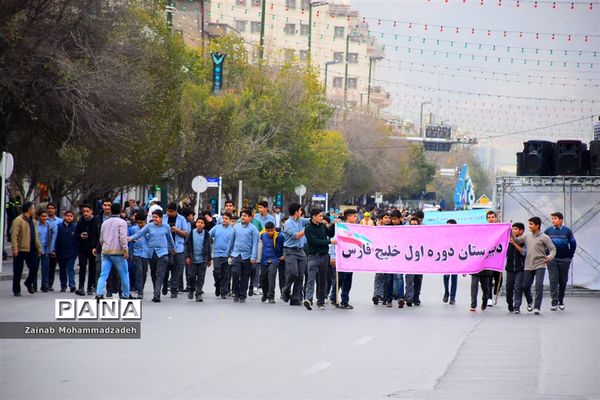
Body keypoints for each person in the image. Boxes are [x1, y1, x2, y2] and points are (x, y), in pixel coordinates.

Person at [512, 217, 556, 315]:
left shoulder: (545, 237)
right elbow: (516, 240)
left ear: (537, 225)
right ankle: (530, 302)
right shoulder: (527, 236)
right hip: (528, 265)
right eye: (529, 224)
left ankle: (537, 307)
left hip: (540, 264)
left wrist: (549, 257)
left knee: (539, 285)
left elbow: (553, 249)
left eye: (531, 224)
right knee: (525, 286)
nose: (529, 226)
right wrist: (509, 230)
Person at [129, 209, 175, 302]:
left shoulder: (166, 227)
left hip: (163, 253)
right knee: (153, 273)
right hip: (152, 253)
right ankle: (156, 291)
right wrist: (130, 238)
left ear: (161, 218)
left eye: (156, 217)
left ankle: (157, 294)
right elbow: (139, 234)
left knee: (159, 274)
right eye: (153, 217)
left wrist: (173, 249)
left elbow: (170, 239)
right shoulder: (149, 226)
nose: (154, 219)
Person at [304, 209, 337, 310]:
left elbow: (331, 233)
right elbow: (314, 241)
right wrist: (329, 242)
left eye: (322, 216)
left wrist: (335, 225)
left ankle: (321, 301)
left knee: (323, 279)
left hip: (324, 256)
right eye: (320, 216)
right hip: (313, 256)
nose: (321, 218)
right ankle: (308, 299)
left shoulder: (323, 226)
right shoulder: (308, 228)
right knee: (311, 278)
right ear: (313, 216)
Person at [96, 203, 131, 300]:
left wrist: (104, 246)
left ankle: (99, 293)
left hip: (106, 251)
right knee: (124, 273)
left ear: (111, 210)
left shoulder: (105, 222)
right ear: (120, 211)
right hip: (118, 252)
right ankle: (125, 294)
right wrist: (125, 250)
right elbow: (123, 238)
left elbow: (101, 238)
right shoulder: (122, 222)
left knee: (103, 274)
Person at [544, 212, 577, 311]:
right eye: (552, 218)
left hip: (565, 260)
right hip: (552, 260)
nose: (553, 220)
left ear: (561, 220)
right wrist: (547, 255)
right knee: (553, 280)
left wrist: (569, 257)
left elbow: (573, 244)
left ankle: (561, 301)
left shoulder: (567, 231)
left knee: (563, 281)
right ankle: (554, 302)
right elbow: (542, 243)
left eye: (555, 218)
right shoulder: (548, 231)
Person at [227, 209, 259, 303]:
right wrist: (228, 253)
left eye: (245, 216)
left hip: (247, 256)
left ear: (250, 217)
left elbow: (255, 244)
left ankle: (243, 294)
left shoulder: (254, 229)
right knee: (235, 273)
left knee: (245, 276)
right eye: (242, 216)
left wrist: (253, 257)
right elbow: (231, 241)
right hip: (236, 254)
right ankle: (236, 293)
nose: (243, 217)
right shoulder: (236, 227)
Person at [11, 202, 41, 296]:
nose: (34, 210)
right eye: (33, 208)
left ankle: (28, 283)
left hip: (32, 248)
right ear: (29, 210)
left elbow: (36, 235)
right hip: (20, 249)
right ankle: (16, 290)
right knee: (18, 271)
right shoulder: (18, 220)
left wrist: (39, 248)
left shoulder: (32, 220)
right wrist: (15, 248)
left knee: (34, 267)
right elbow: (14, 235)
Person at [281, 203, 309, 306]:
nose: (302, 212)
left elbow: (311, 220)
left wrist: (321, 218)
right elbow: (297, 236)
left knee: (300, 276)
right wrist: (307, 229)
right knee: (293, 273)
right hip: (290, 251)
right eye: (300, 210)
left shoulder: (300, 220)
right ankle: (286, 289)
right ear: (296, 212)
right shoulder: (288, 223)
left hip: (300, 251)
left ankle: (295, 298)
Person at [330, 208, 357, 309]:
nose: (356, 218)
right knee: (341, 278)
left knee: (348, 280)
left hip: (352, 258)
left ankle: (345, 301)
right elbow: (333, 243)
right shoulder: (339, 227)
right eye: (354, 216)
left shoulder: (356, 228)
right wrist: (333, 256)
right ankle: (333, 296)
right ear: (348, 217)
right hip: (341, 257)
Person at [162, 202, 189, 298]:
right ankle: (164, 284)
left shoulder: (181, 219)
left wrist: (177, 230)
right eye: (167, 211)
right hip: (165, 248)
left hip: (178, 248)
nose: (168, 213)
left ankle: (174, 289)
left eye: (171, 211)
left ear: (175, 211)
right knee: (164, 270)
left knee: (177, 270)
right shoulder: (164, 218)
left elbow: (186, 234)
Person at [185, 218, 212, 302]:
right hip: (192, 258)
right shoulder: (191, 233)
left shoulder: (207, 234)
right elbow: (186, 245)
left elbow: (209, 247)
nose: (200, 224)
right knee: (191, 276)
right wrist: (187, 257)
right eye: (198, 222)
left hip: (203, 259)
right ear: (196, 224)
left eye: (202, 223)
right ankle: (191, 289)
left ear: (204, 225)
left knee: (201, 277)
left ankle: (199, 293)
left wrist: (209, 258)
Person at [51, 210, 79, 293]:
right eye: (67, 216)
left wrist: (76, 251)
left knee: (70, 268)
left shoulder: (75, 227)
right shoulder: (58, 227)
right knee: (62, 269)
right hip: (60, 252)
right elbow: (54, 238)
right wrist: (53, 249)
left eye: (71, 216)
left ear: (73, 217)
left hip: (71, 252)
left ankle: (72, 285)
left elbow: (77, 240)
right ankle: (63, 286)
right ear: (64, 217)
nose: (69, 217)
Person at [257, 221, 284, 304]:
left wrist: (283, 255)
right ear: (265, 230)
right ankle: (265, 294)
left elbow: (284, 246)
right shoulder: (262, 236)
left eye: (271, 230)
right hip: (264, 260)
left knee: (271, 278)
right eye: (268, 231)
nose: (270, 233)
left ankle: (271, 296)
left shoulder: (279, 236)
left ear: (274, 230)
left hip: (274, 260)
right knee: (263, 278)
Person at [210, 212, 234, 299]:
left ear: (230, 220)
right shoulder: (216, 228)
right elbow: (208, 236)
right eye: (223, 218)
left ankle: (223, 291)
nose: (224, 220)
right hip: (216, 254)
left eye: (226, 218)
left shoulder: (233, 230)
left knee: (226, 274)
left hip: (227, 255)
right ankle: (217, 285)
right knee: (217, 272)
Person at [505, 222, 528, 313]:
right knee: (509, 288)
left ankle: (517, 307)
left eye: (515, 229)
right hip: (510, 268)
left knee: (518, 287)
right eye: (512, 229)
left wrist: (514, 243)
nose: (513, 231)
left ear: (521, 231)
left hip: (520, 268)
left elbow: (524, 252)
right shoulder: (508, 241)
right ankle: (510, 303)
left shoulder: (524, 241)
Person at [75, 204, 97, 296]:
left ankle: (90, 287)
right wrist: (80, 235)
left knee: (92, 268)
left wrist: (96, 246)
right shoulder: (81, 221)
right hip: (82, 248)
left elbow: (98, 234)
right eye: (84, 211)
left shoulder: (95, 221)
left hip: (92, 248)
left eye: (87, 211)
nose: (86, 213)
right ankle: (81, 287)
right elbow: (76, 234)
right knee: (82, 267)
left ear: (91, 211)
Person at [129, 213, 149, 299]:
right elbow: (131, 242)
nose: (140, 224)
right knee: (139, 272)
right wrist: (131, 253)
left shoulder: (149, 228)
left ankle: (141, 288)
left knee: (144, 273)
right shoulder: (134, 229)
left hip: (146, 253)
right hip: (137, 253)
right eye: (138, 223)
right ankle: (140, 291)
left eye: (142, 223)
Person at [405, 217, 423, 307]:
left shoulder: (423, 235)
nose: (413, 226)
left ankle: (416, 298)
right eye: (411, 224)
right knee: (409, 279)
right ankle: (409, 298)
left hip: (419, 261)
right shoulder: (406, 235)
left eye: (415, 224)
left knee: (418, 280)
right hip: (409, 261)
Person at [486, 210, 501, 306]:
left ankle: (496, 291)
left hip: (498, 257)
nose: (491, 219)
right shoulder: (485, 229)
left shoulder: (500, 228)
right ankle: (489, 298)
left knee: (498, 278)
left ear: (496, 218)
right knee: (489, 278)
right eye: (489, 217)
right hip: (488, 258)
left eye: (492, 217)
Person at [45, 202, 62, 291]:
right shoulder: (44, 219)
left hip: (54, 247)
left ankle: (50, 284)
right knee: (45, 267)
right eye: (49, 208)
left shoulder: (59, 221)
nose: (50, 210)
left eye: (52, 208)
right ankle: (44, 283)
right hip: (45, 247)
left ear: (55, 210)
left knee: (52, 267)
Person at [36, 209, 54, 292]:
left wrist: (50, 249)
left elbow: (51, 238)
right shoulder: (35, 225)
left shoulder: (48, 226)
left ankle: (45, 285)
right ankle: (34, 285)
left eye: (45, 216)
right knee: (35, 268)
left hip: (45, 249)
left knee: (45, 268)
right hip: (36, 249)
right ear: (39, 217)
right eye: (42, 216)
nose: (44, 218)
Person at [442, 219, 458, 305]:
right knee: (446, 277)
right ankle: (446, 292)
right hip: (446, 259)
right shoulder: (443, 236)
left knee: (454, 279)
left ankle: (452, 297)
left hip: (455, 260)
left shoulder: (458, 236)